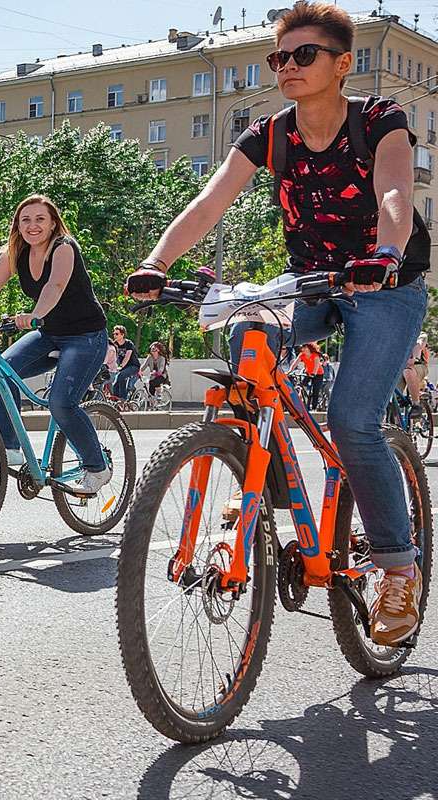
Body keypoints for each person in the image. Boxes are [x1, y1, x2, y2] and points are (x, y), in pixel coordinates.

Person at [127, 2, 429, 646]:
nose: (287, 66)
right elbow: (209, 201)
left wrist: (386, 252)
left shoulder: (379, 120)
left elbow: (395, 194)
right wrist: (156, 262)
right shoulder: (269, 134)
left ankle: (399, 568)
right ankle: (253, 473)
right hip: (309, 282)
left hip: (385, 282)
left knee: (352, 419)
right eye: (279, 57)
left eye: (304, 55)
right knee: (248, 330)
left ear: (342, 65)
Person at [0, 194, 112, 494]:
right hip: (49, 333)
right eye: (26, 220)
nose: (33, 226)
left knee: (61, 403)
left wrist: (35, 315)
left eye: (40, 219)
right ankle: (11, 448)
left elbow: (55, 286)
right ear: (17, 225)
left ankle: (97, 467)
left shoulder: (64, 247)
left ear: (53, 223)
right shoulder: (15, 252)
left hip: (85, 336)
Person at [111, 325, 138, 399]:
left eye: (117, 334)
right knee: (115, 383)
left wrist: (121, 366)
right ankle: (116, 400)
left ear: (122, 335)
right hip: (123, 367)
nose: (114, 335)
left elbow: (127, 357)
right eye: (114, 334)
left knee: (121, 376)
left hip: (133, 366)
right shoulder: (115, 344)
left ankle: (123, 399)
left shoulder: (129, 343)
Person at [297, 342, 326, 408]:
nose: (303, 349)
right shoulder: (302, 355)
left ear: (309, 348)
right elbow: (295, 364)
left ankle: (314, 406)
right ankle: (302, 402)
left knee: (315, 390)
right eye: (302, 347)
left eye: (305, 347)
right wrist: (289, 371)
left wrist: (314, 373)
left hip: (318, 374)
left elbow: (316, 366)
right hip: (308, 373)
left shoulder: (315, 355)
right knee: (302, 386)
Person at [401, 333, 428, 404]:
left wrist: (414, 358)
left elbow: (418, 345)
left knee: (408, 371)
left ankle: (416, 404)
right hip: (400, 368)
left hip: (418, 365)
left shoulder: (419, 333)